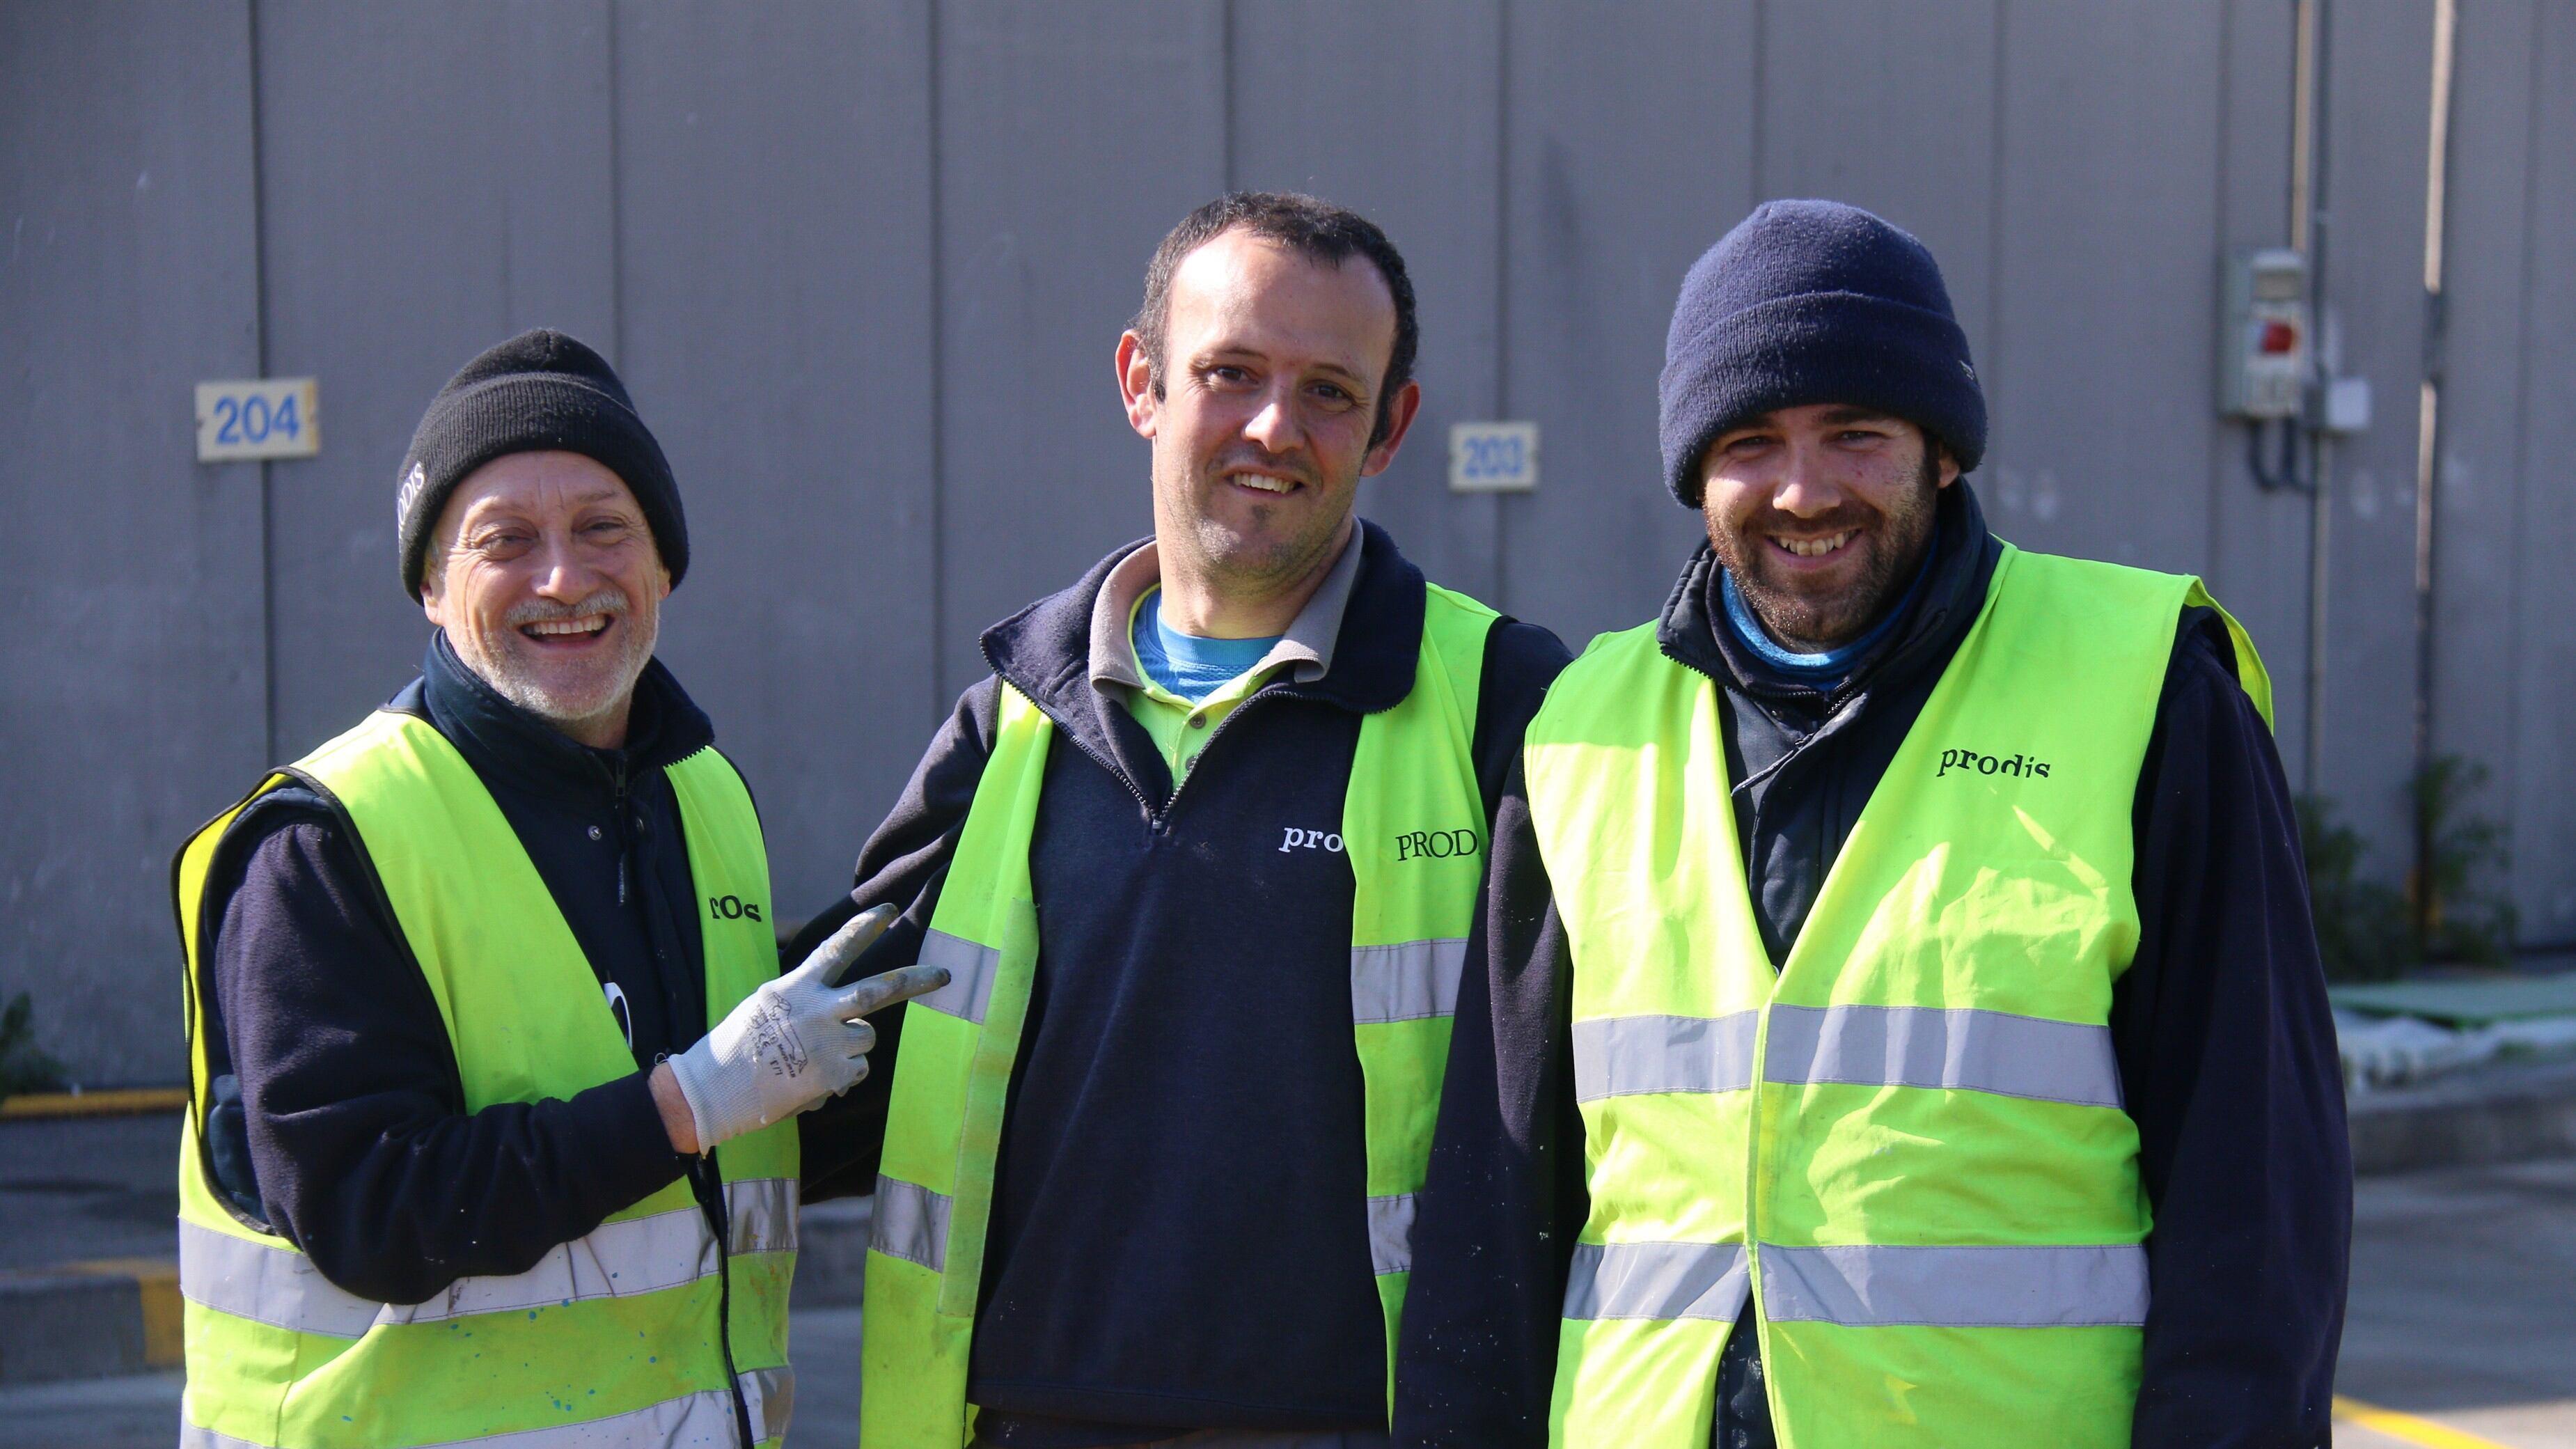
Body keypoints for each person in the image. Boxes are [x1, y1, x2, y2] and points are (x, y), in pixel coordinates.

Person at [1394, 201, 2351, 1448]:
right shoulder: (1584, 728)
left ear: (1941, 451)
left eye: (1855, 432)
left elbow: (2255, 1190)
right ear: (1695, 474)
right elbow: (1495, 1198)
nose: (1804, 490)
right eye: (1751, 440)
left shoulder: (2148, 690)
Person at [785, 192, 1569, 1448]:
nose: (1274, 425)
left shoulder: (1503, 706)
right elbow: (837, 1054)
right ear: (1140, 383)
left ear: (1390, 428)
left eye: (1329, 390)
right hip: (1028, 1424)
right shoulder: (1011, 726)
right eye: (1230, 371)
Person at [171, 329, 948, 1449]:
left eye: (603, 529)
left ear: (663, 565)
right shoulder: (328, 842)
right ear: (430, 585)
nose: (564, 579)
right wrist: (687, 1101)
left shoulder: (704, 797)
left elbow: (729, 1153)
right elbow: (365, 1204)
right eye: (506, 541)